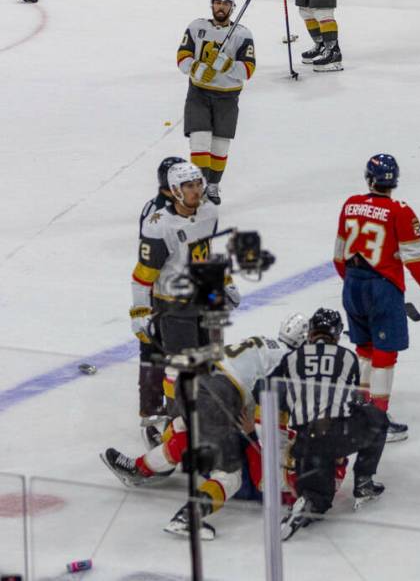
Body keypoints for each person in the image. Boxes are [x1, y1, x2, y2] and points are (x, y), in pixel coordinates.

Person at [101, 315, 308, 539]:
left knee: (190, 431)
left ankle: (139, 467)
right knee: (229, 476)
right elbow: (263, 398)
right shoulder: (287, 361)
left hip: (187, 378)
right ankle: (188, 518)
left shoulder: (262, 342)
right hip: (216, 394)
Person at [332, 154, 420, 434]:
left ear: (368, 178)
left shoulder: (350, 205)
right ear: (394, 180)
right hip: (382, 288)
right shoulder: (400, 211)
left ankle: (359, 411)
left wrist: (352, 283)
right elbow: (415, 258)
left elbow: (338, 256)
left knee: (364, 350)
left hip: (352, 285)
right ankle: (376, 420)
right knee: (385, 354)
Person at [275, 308, 390, 539]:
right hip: (337, 434)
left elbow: (267, 391)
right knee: (377, 419)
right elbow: (357, 401)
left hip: (305, 441)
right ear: (337, 335)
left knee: (319, 498)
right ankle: (364, 483)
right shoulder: (347, 357)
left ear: (310, 333)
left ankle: (306, 504)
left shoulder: (290, 358)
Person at [129, 161, 227, 365]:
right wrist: (140, 310)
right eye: (189, 186)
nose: (196, 190)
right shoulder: (159, 225)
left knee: (212, 365)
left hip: (204, 301)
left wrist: (223, 282)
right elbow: (143, 276)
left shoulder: (209, 212)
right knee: (183, 370)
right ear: (175, 189)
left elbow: (204, 255)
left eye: (198, 184)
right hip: (173, 305)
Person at [175, 0, 255, 204]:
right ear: (212, 4)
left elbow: (248, 70)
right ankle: (198, 188)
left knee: (220, 147)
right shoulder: (196, 27)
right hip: (198, 93)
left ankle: (213, 186)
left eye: (226, 3)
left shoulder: (242, 34)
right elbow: (182, 58)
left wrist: (227, 64)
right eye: (218, 2)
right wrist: (197, 69)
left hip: (227, 98)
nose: (221, 7)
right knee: (199, 142)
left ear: (232, 7)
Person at [134, 155, 185, 446]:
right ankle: (152, 411)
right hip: (159, 290)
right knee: (154, 350)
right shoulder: (157, 213)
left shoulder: (181, 207)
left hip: (177, 291)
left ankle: (171, 410)